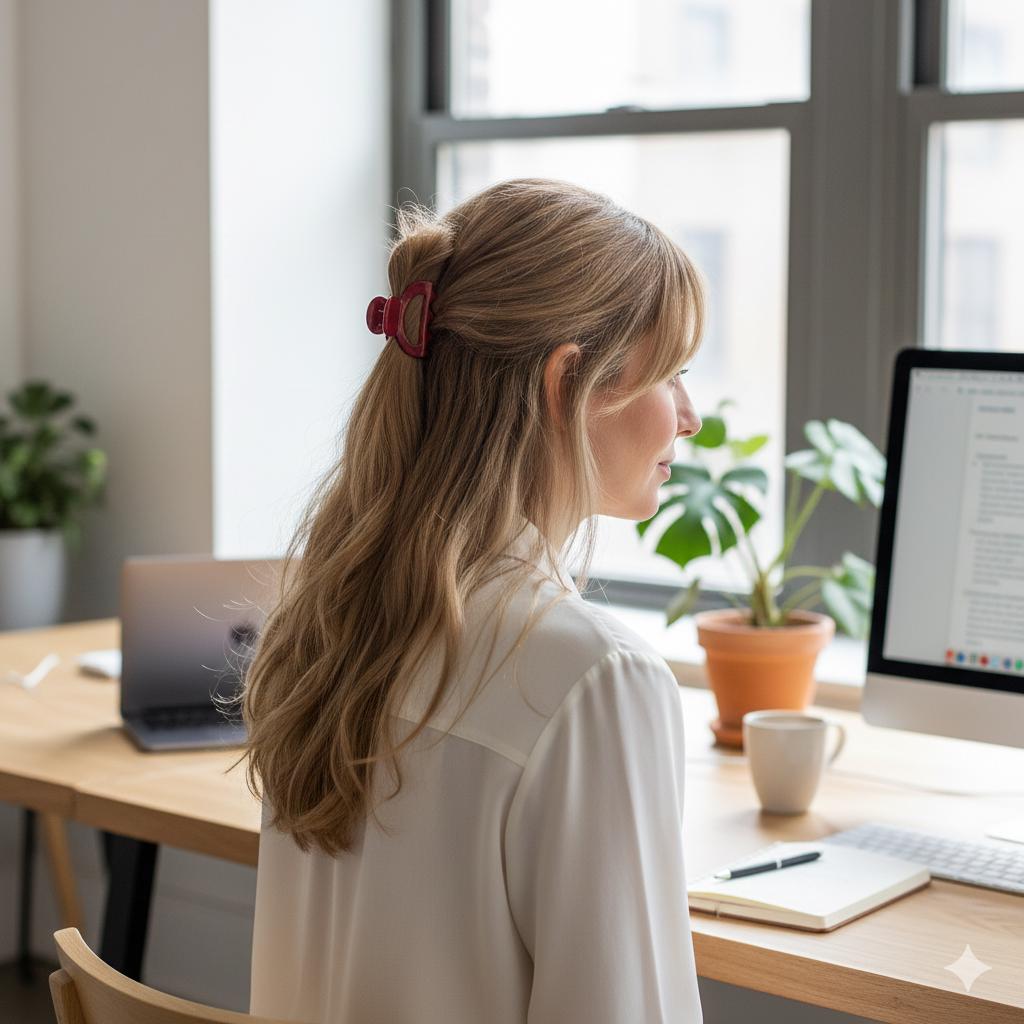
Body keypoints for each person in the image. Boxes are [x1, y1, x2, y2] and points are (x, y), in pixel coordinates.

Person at [243, 178, 705, 1022]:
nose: (691, 416)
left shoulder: (323, 620)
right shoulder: (596, 679)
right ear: (568, 383)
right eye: (672, 373)